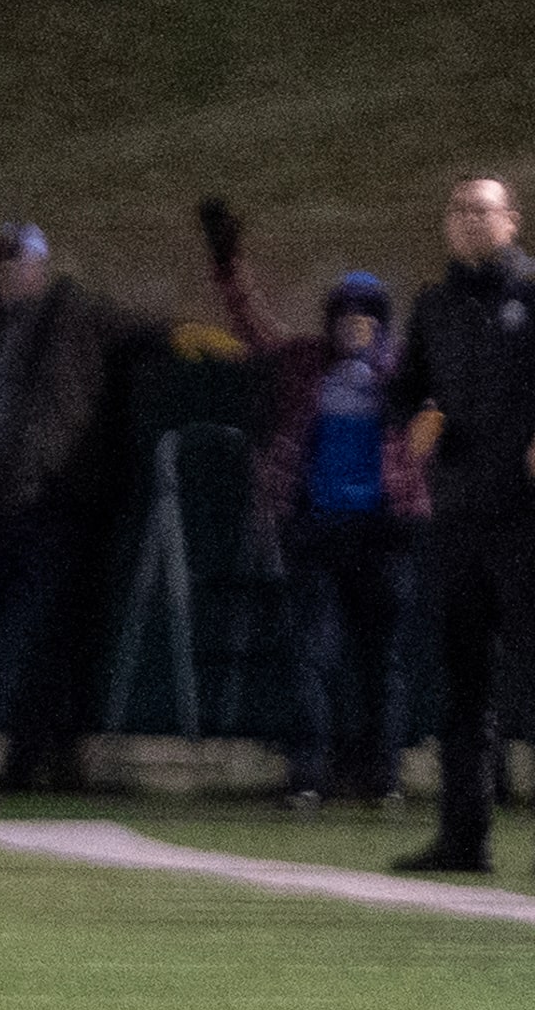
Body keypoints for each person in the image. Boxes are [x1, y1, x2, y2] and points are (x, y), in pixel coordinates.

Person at [0, 223, 186, 790]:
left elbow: (139, 333)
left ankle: (27, 764)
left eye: (17, 261)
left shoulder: (77, 315)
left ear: (40, 265)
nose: (6, 273)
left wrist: (181, 335)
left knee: (38, 641)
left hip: (50, 503)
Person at [197, 198, 424, 805]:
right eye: (346, 314)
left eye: (366, 315)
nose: (355, 323)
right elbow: (252, 324)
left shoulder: (401, 372)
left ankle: (385, 780)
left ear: (381, 321)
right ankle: (308, 776)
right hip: (318, 528)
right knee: (312, 656)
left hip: (383, 531)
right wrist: (228, 265)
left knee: (385, 662)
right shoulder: (305, 363)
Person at [386, 175, 535, 875]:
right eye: (459, 211)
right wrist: (417, 420)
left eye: (484, 210)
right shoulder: (437, 304)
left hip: (525, 518)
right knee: (463, 683)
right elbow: (405, 391)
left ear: (511, 220)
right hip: (458, 517)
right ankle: (462, 837)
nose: (471, 221)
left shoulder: (529, 293)